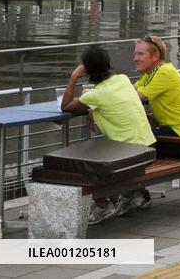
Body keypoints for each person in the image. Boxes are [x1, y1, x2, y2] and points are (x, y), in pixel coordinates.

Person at [61, 46, 155, 223]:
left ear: (86, 70)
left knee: (84, 162)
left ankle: (103, 206)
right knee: (99, 152)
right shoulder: (123, 79)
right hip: (148, 146)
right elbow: (111, 98)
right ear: (109, 65)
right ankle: (134, 195)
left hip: (131, 153)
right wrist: (92, 108)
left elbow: (65, 106)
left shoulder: (96, 95)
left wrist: (74, 76)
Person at [133, 35, 180, 141]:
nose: (135, 59)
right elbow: (130, 90)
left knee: (135, 134)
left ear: (155, 56)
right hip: (175, 130)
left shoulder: (163, 72)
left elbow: (134, 97)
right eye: (135, 54)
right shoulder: (152, 73)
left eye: (140, 54)